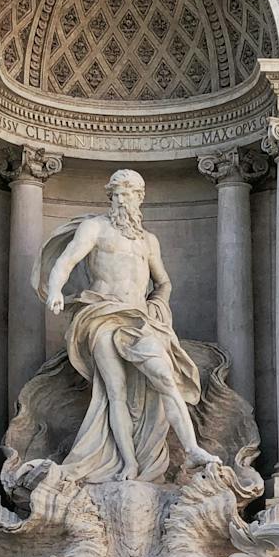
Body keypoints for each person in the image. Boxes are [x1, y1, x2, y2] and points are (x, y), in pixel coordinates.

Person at [36, 168, 219, 482]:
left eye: (128, 194)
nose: (122, 201)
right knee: (115, 392)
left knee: (164, 376)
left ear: (140, 199)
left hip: (138, 320)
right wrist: (55, 291)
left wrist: (157, 306)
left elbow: (163, 283)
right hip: (101, 315)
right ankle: (129, 464)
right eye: (117, 194)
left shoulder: (148, 242)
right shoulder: (96, 229)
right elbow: (65, 262)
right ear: (110, 197)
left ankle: (191, 449)